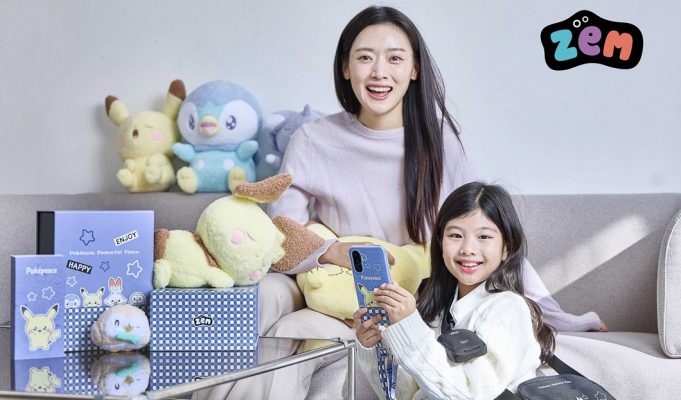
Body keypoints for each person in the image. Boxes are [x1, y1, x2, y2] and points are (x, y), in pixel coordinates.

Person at [196, 5, 603, 400]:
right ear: (345, 68)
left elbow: (483, 232)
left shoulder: (441, 141)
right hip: (327, 287)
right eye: (365, 57)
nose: (379, 72)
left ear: (415, 69)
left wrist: (555, 315)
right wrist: (335, 252)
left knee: (292, 335)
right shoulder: (312, 140)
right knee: (265, 293)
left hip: (407, 304)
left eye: (394, 58)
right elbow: (278, 237)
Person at [354, 181, 555, 399]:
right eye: (456, 235)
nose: (468, 249)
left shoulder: (509, 308)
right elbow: (407, 394)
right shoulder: (436, 310)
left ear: (507, 246)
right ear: (440, 242)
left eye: (484, 237)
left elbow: (470, 394)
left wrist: (409, 325)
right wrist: (375, 348)